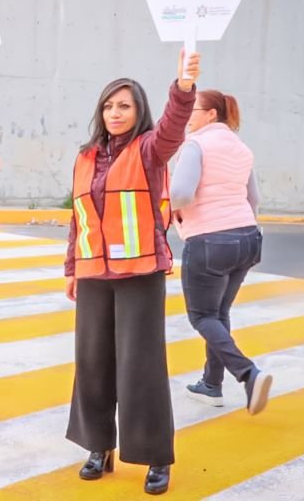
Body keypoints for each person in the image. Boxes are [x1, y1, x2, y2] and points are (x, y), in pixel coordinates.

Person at [63, 50, 201, 496]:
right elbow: (78, 217)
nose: (115, 113)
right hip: (93, 275)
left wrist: (182, 88)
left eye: (124, 105)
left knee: (140, 366)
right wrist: (72, 268)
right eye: (109, 105)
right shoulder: (85, 156)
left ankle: (155, 456)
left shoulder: (149, 149)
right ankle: (97, 446)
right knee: (92, 362)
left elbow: (173, 128)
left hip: (140, 272)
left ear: (138, 112)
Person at [170, 89, 271, 415]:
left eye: (194, 110)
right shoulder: (241, 148)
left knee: (201, 316)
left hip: (210, 240)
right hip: (247, 237)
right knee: (218, 313)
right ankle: (211, 384)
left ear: (211, 114)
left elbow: (182, 193)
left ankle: (248, 374)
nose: (188, 117)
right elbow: (252, 199)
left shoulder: (195, 145)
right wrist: (238, 227)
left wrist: (170, 210)